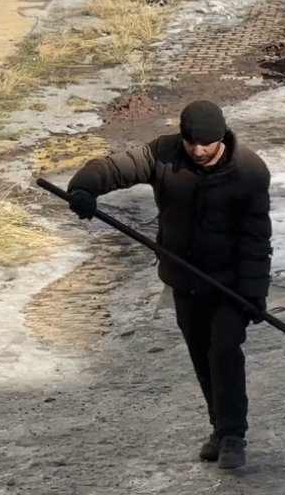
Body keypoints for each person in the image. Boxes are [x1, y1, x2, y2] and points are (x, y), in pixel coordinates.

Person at [66, 100, 272, 470]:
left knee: (224, 351)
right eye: (190, 142)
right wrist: (84, 188)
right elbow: (113, 167)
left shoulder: (249, 172)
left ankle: (233, 436)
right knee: (201, 355)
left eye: (205, 143)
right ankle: (219, 429)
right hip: (184, 281)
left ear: (221, 137)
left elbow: (256, 240)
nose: (196, 150)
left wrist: (254, 293)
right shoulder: (164, 153)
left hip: (229, 285)